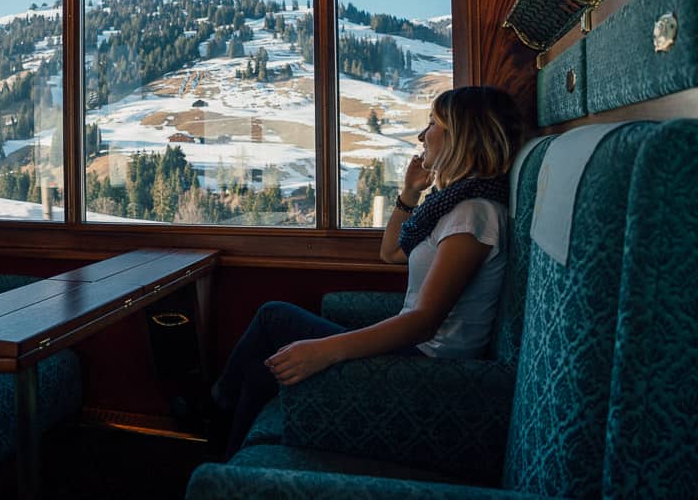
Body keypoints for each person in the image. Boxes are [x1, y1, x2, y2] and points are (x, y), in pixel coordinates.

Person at [209, 85, 524, 457]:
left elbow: (424, 322)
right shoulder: (454, 205)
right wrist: (409, 193)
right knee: (270, 355)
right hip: (417, 351)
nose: (423, 136)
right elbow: (391, 253)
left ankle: (214, 413)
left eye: (433, 124)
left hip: (429, 365)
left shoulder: (473, 214)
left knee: (274, 318)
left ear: (462, 137)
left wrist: (328, 350)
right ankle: (228, 449)